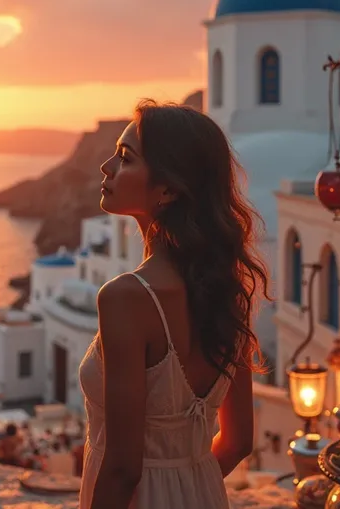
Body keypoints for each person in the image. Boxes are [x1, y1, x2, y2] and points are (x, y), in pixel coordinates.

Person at [78, 101, 269, 509]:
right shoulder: (226, 294)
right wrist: (181, 487)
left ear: (167, 189)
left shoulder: (126, 297)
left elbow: (123, 468)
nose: (106, 166)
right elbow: (237, 442)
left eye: (126, 157)